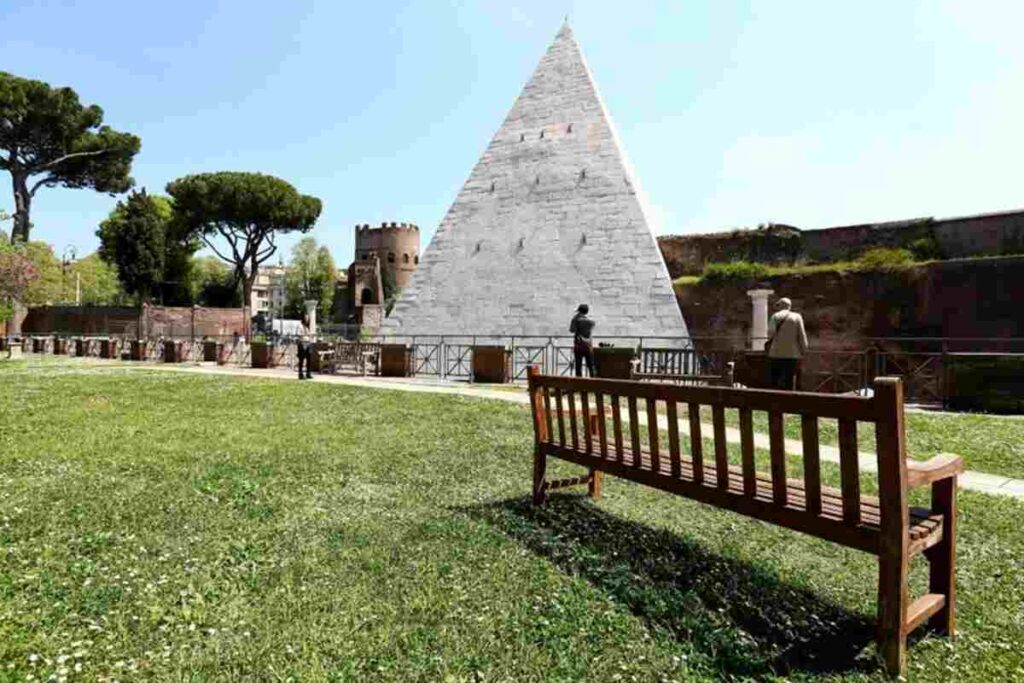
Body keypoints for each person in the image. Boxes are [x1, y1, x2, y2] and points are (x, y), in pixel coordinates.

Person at [766, 297, 808, 390]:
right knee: (790, 380)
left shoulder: (775, 316)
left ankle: (775, 400)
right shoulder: (797, 316)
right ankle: (789, 400)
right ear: (789, 306)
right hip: (793, 354)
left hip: (776, 354)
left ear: (780, 305)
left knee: (775, 380)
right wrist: (804, 350)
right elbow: (802, 335)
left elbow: (769, 334)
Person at [569, 304, 596, 377]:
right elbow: (591, 328)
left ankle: (579, 385)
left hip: (579, 345)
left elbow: (571, 330)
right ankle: (594, 383)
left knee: (578, 366)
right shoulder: (590, 322)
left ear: (579, 311)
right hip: (588, 345)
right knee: (591, 365)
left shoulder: (576, 320)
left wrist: (575, 320)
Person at [296, 314, 313, 380]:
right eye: (306, 318)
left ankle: (308, 373)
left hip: (308, 343)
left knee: (309, 359)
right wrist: (306, 334)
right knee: (301, 359)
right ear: (303, 318)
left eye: (308, 318)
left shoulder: (306, 327)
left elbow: (308, 335)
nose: (307, 319)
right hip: (302, 343)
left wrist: (311, 335)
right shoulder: (299, 325)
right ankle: (301, 374)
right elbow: (298, 335)